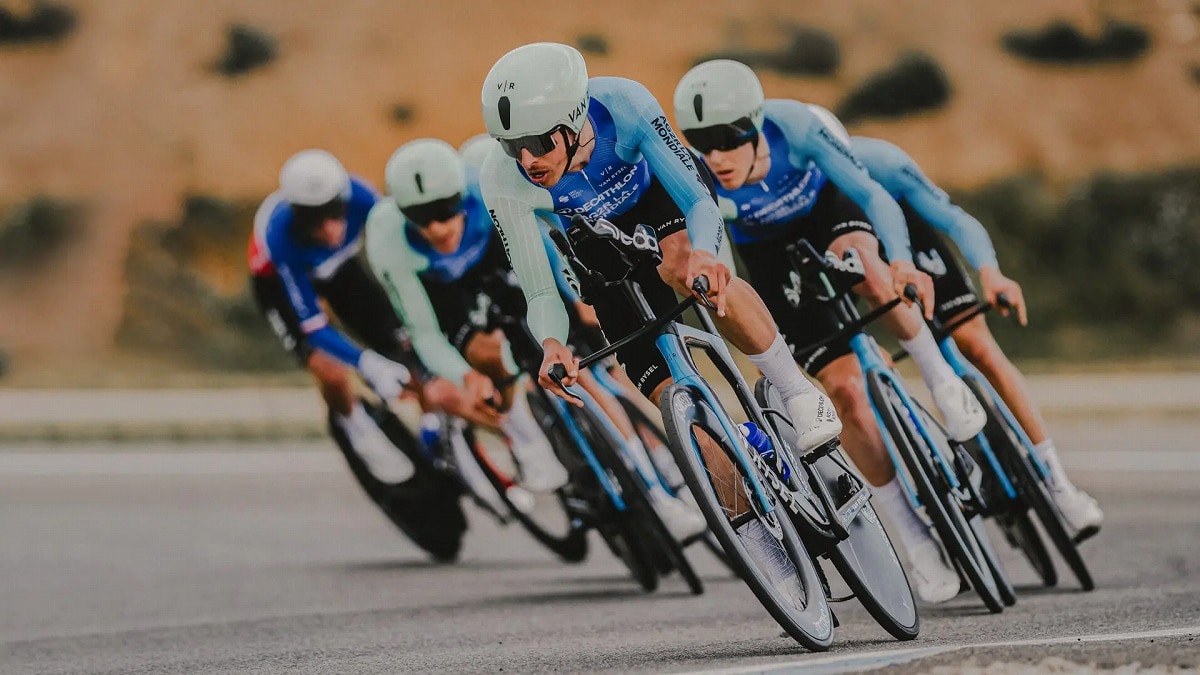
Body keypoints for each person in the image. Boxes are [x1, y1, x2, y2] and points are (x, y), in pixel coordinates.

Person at [673, 60, 990, 602]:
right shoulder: (699, 173)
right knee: (844, 392)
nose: (717, 157)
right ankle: (915, 541)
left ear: (755, 124)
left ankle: (941, 379)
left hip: (830, 213)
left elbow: (872, 195)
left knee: (868, 269)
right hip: (769, 253)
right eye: (703, 144)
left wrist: (901, 260)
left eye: (728, 141)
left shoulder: (796, 127)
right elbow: (712, 248)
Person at [364, 138, 706, 538]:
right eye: (420, 219)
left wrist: (579, 298)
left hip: (502, 257)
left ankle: (657, 479)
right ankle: (524, 435)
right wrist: (465, 375)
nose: (436, 228)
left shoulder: (488, 188)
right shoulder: (387, 238)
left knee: (590, 372)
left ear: (461, 195)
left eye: (445, 211)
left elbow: (548, 246)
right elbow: (424, 331)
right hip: (448, 293)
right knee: (486, 355)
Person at [834, 126, 1103, 537]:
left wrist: (990, 273)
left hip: (906, 241)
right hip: (843, 255)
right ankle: (937, 465)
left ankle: (1059, 485)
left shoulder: (882, 162)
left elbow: (956, 220)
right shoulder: (788, 187)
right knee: (864, 372)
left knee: (976, 343)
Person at [248, 149, 480, 484]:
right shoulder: (279, 235)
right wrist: (367, 363)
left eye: (335, 213)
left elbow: (398, 239)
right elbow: (313, 326)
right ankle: (355, 424)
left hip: (340, 268)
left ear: (344, 199)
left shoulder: (362, 197)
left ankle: (433, 420)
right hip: (279, 281)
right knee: (329, 369)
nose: (329, 229)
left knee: (401, 340)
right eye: (315, 220)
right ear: (298, 216)